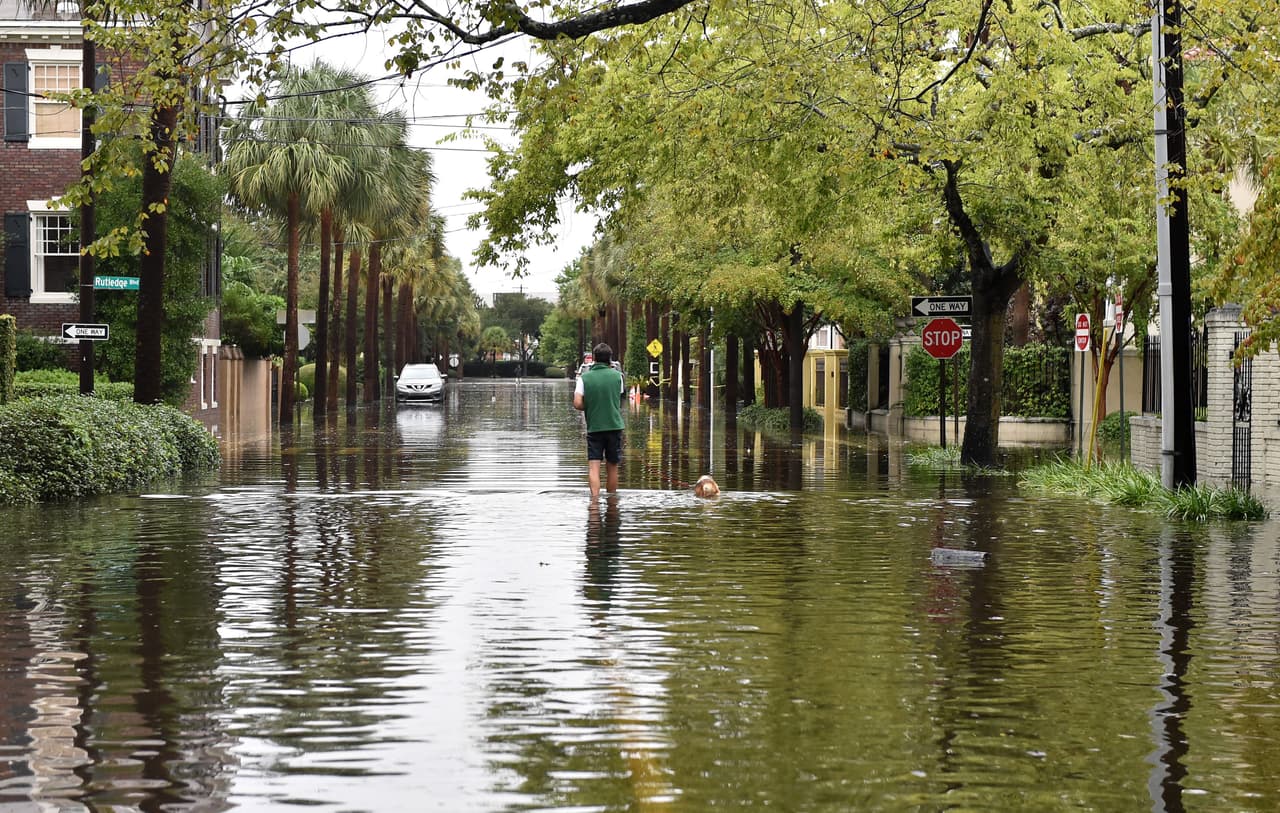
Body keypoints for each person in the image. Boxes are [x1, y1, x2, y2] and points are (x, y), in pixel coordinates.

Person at [574, 343, 625, 498]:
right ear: (610, 359)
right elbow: (617, 397)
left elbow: (577, 403)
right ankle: (611, 503)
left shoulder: (584, 378)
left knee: (594, 468)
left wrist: (590, 407)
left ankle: (594, 502)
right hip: (614, 427)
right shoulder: (618, 377)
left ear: (594, 358)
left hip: (594, 428)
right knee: (613, 467)